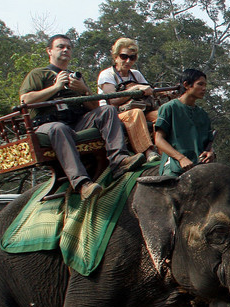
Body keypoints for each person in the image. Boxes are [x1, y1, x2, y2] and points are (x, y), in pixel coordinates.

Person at [19, 35, 144, 200]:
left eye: (69, 47)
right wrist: (56, 87)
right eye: (61, 47)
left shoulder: (74, 76)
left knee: (107, 110)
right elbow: (24, 100)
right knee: (59, 128)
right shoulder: (38, 74)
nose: (65, 50)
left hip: (76, 121)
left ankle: (119, 160)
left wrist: (84, 90)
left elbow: (93, 106)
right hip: (48, 124)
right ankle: (81, 184)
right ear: (49, 51)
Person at [97, 37, 159, 162]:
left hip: (140, 109)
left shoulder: (136, 74)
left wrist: (162, 92)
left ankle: (166, 149)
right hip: (115, 115)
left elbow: (148, 90)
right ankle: (148, 151)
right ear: (115, 57)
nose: (127, 61)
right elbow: (112, 100)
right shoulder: (107, 75)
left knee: (162, 114)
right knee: (135, 113)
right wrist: (135, 88)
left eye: (132, 57)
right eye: (123, 56)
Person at [154, 69, 215, 177]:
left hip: (201, 168)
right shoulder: (169, 108)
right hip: (175, 167)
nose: (204, 88)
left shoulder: (203, 114)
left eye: (205, 85)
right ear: (186, 85)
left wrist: (211, 153)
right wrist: (181, 158)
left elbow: (208, 143)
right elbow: (159, 140)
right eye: (200, 84)